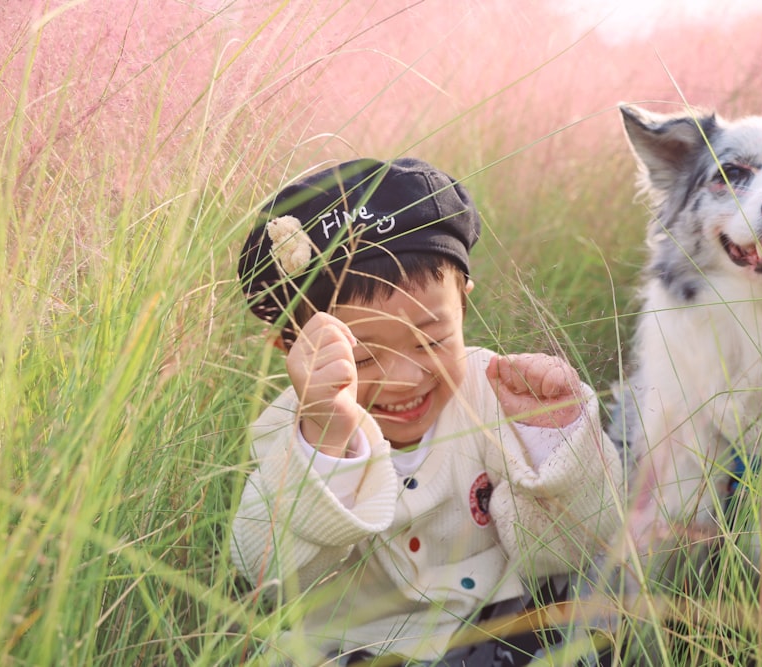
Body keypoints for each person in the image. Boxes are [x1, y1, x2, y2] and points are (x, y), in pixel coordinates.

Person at [231, 157, 624, 665]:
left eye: (430, 341)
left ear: (462, 305)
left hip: (502, 627)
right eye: (361, 356)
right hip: (357, 645)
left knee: (583, 631)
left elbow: (574, 544)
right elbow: (265, 570)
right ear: (291, 347)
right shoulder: (295, 427)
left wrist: (552, 441)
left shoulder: (498, 395)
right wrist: (325, 439)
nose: (404, 378)